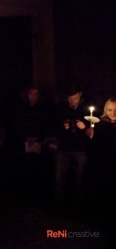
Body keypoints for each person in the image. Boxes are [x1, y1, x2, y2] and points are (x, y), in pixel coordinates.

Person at [52, 85, 90, 217]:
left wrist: (85, 126)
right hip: (64, 149)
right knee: (59, 182)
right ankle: (59, 210)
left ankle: (76, 211)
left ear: (80, 94)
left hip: (81, 150)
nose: (72, 102)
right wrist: (63, 126)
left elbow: (95, 127)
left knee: (78, 182)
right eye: (70, 99)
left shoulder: (87, 108)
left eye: (75, 98)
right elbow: (54, 126)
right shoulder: (61, 107)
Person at [84, 98, 116, 246]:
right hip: (105, 166)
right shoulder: (101, 125)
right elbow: (96, 148)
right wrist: (91, 136)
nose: (113, 113)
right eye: (110, 110)